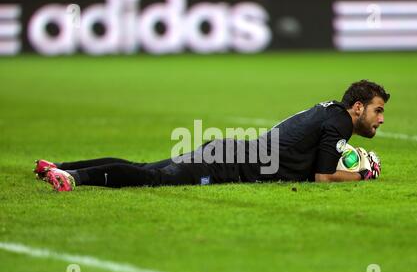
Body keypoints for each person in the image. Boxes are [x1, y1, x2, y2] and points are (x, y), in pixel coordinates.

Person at [35, 79, 388, 191]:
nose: (380, 119)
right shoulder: (340, 122)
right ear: (357, 107)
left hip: (230, 152)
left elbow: (313, 161)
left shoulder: (329, 111)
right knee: (152, 178)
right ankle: (73, 176)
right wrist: (360, 174)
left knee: (146, 167)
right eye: (377, 110)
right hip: (228, 165)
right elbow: (323, 176)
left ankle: (59, 165)